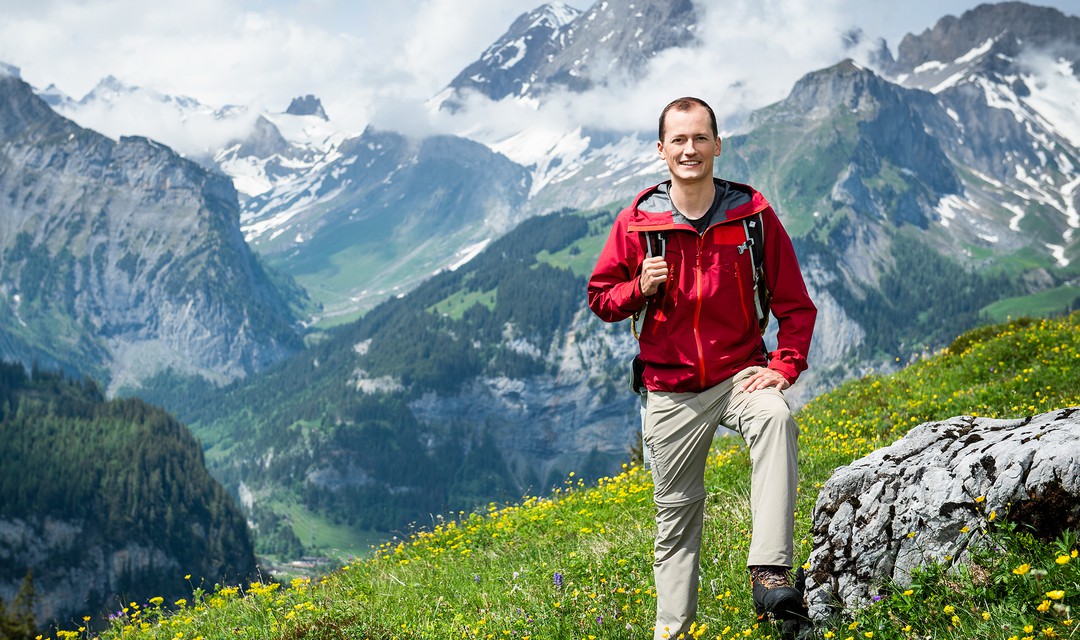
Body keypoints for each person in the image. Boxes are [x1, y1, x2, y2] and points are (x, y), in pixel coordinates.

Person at [587, 97, 817, 638]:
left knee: (776, 419)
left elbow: (795, 305)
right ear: (661, 150)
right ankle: (674, 633)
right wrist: (637, 289)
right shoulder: (638, 223)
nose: (689, 150)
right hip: (669, 389)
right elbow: (600, 298)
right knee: (676, 521)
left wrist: (784, 366)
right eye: (679, 140)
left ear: (717, 145)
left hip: (740, 374)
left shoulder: (752, 217)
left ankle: (769, 573)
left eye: (699, 139)